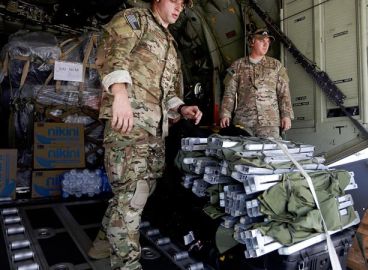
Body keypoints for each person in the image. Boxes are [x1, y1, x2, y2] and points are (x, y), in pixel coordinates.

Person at [88, 0, 202, 269]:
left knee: (141, 191)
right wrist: (119, 94)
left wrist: (182, 108)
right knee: (132, 196)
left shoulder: (170, 43)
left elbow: (169, 92)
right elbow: (113, 52)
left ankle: (103, 243)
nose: (179, 8)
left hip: (155, 130)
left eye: (183, 5)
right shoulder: (135, 20)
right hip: (130, 125)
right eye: (175, 1)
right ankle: (127, 264)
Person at [219, 28, 294, 139]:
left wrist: (286, 115)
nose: (265, 44)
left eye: (268, 42)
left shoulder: (276, 65)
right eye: (261, 41)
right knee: (244, 154)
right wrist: (225, 114)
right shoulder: (237, 65)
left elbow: (284, 93)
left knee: (270, 154)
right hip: (244, 123)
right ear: (252, 42)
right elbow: (229, 93)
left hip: (269, 124)